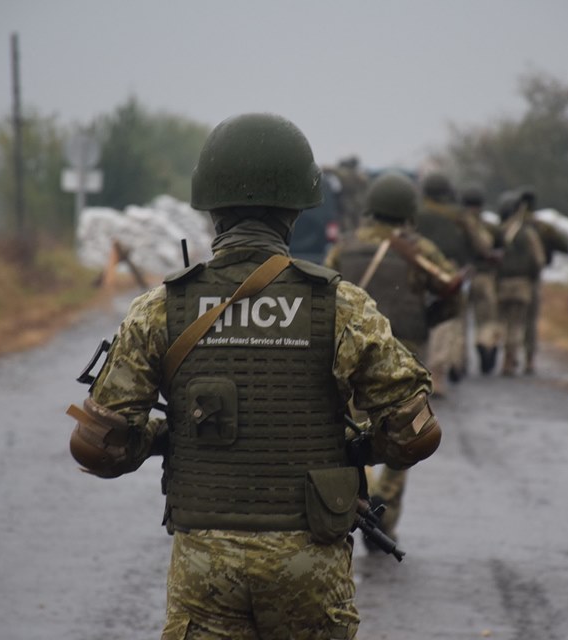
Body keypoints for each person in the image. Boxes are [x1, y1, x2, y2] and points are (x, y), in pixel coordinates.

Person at [67, 113, 442, 639]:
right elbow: (416, 430)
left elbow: (96, 447)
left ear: (212, 210)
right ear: (295, 211)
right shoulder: (340, 306)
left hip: (204, 569)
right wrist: (347, 451)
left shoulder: (160, 309)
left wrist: (164, 438)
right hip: (309, 563)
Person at [325, 170, 458, 546]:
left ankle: (363, 498)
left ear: (371, 208)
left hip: (353, 355)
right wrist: (430, 319)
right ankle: (388, 508)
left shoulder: (345, 248)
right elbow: (453, 295)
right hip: (407, 352)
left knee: (355, 428)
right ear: (408, 211)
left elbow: (324, 294)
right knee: (405, 430)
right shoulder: (421, 251)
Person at [414, 170, 485, 390]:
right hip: (451, 273)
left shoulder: (416, 213)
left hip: (417, 271)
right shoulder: (460, 216)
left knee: (418, 318)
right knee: (446, 321)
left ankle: (417, 370)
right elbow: (481, 245)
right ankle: (438, 374)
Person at [517, 186, 568, 375]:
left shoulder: (509, 225)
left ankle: (509, 359)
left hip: (509, 279)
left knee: (514, 318)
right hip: (533, 278)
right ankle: (529, 360)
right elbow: (566, 246)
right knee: (530, 320)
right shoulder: (542, 227)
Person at [494, 190, 546, 376]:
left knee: (503, 322)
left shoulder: (499, 232)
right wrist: (532, 276)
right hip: (522, 284)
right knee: (517, 324)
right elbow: (538, 259)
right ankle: (511, 359)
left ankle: (503, 359)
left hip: (502, 284)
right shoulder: (528, 232)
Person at [459, 185, 503, 374]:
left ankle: (458, 360)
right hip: (484, 277)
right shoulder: (489, 227)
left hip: (460, 277)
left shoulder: (457, 224)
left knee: (459, 320)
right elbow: (501, 248)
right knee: (486, 318)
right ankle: (484, 344)